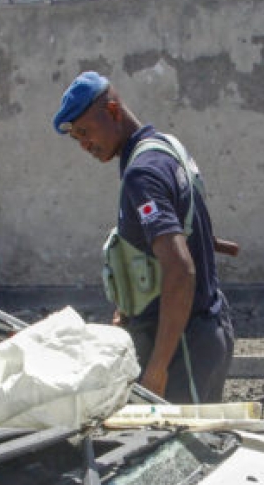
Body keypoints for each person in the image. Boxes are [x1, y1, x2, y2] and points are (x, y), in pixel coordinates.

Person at [53, 71, 237, 403]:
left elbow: (180, 269)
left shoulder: (142, 174)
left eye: (85, 131)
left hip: (184, 347)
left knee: (179, 449)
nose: (83, 145)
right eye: (75, 137)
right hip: (206, 330)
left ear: (111, 111)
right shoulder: (165, 147)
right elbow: (185, 229)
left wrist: (158, 367)